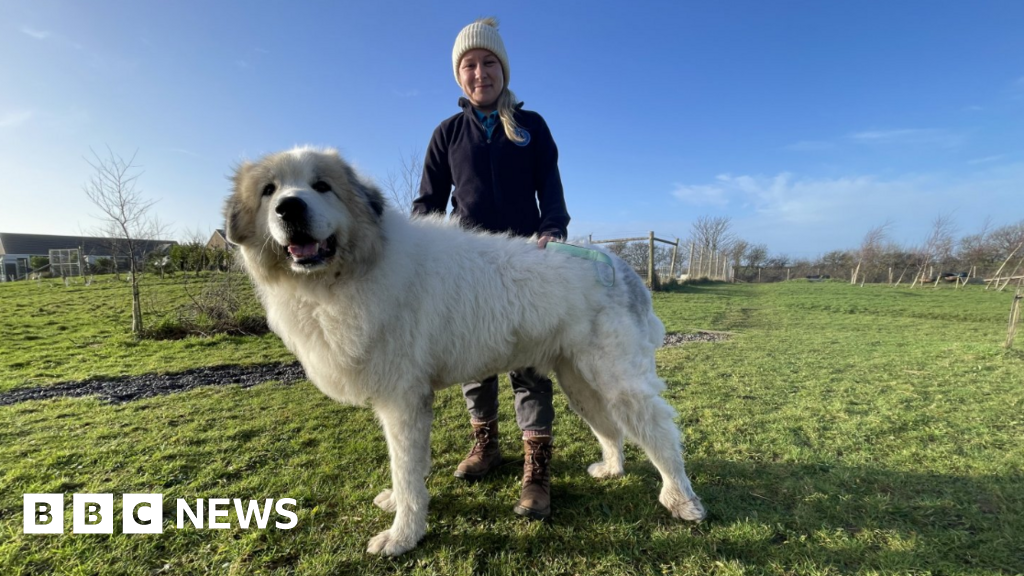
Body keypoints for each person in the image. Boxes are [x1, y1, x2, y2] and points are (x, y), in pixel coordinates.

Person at [411, 17, 570, 520]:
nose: (480, 73)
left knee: (530, 364)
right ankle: (486, 445)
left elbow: (552, 190)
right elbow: (428, 205)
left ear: (503, 68)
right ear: (459, 77)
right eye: (470, 65)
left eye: (489, 63)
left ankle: (536, 470)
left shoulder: (532, 126)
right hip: (468, 269)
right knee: (473, 363)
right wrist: (418, 254)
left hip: (527, 265)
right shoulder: (446, 134)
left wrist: (553, 231)